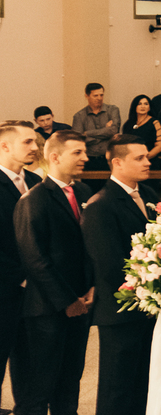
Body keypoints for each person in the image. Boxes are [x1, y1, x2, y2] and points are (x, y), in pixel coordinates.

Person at [11, 131, 94, 415]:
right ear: (55, 157)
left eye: (85, 151)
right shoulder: (34, 199)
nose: (85, 158)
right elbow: (34, 258)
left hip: (81, 302)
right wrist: (67, 300)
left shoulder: (84, 192)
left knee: (70, 380)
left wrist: (91, 288)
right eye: (77, 152)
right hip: (47, 308)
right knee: (39, 385)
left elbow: (90, 246)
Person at [81, 136, 157, 415]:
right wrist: (148, 290)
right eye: (139, 158)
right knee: (117, 387)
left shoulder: (148, 194)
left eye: (147, 156)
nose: (148, 162)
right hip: (120, 310)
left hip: (150, 306)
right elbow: (110, 264)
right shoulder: (101, 204)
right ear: (117, 162)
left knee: (143, 384)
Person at [0, 121, 41, 403]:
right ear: (5, 146)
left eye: (35, 141)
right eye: (27, 141)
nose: (35, 147)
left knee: (30, 363)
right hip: (5, 287)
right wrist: (23, 276)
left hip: (36, 291)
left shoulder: (37, 182)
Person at [72, 82, 120, 170]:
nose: (99, 98)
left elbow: (113, 130)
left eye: (101, 95)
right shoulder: (79, 116)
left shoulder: (112, 110)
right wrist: (106, 134)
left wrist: (87, 133)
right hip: (88, 159)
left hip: (110, 158)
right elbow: (78, 140)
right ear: (87, 96)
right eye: (95, 95)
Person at [122, 94, 161, 164]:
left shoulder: (155, 123)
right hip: (131, 161)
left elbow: (160, 146)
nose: (143, 106)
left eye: (146, 104)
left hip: (149, 161)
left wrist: (144, 158)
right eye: (139, 104)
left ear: (149, 107)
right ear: (135, 106)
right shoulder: (128, 124)